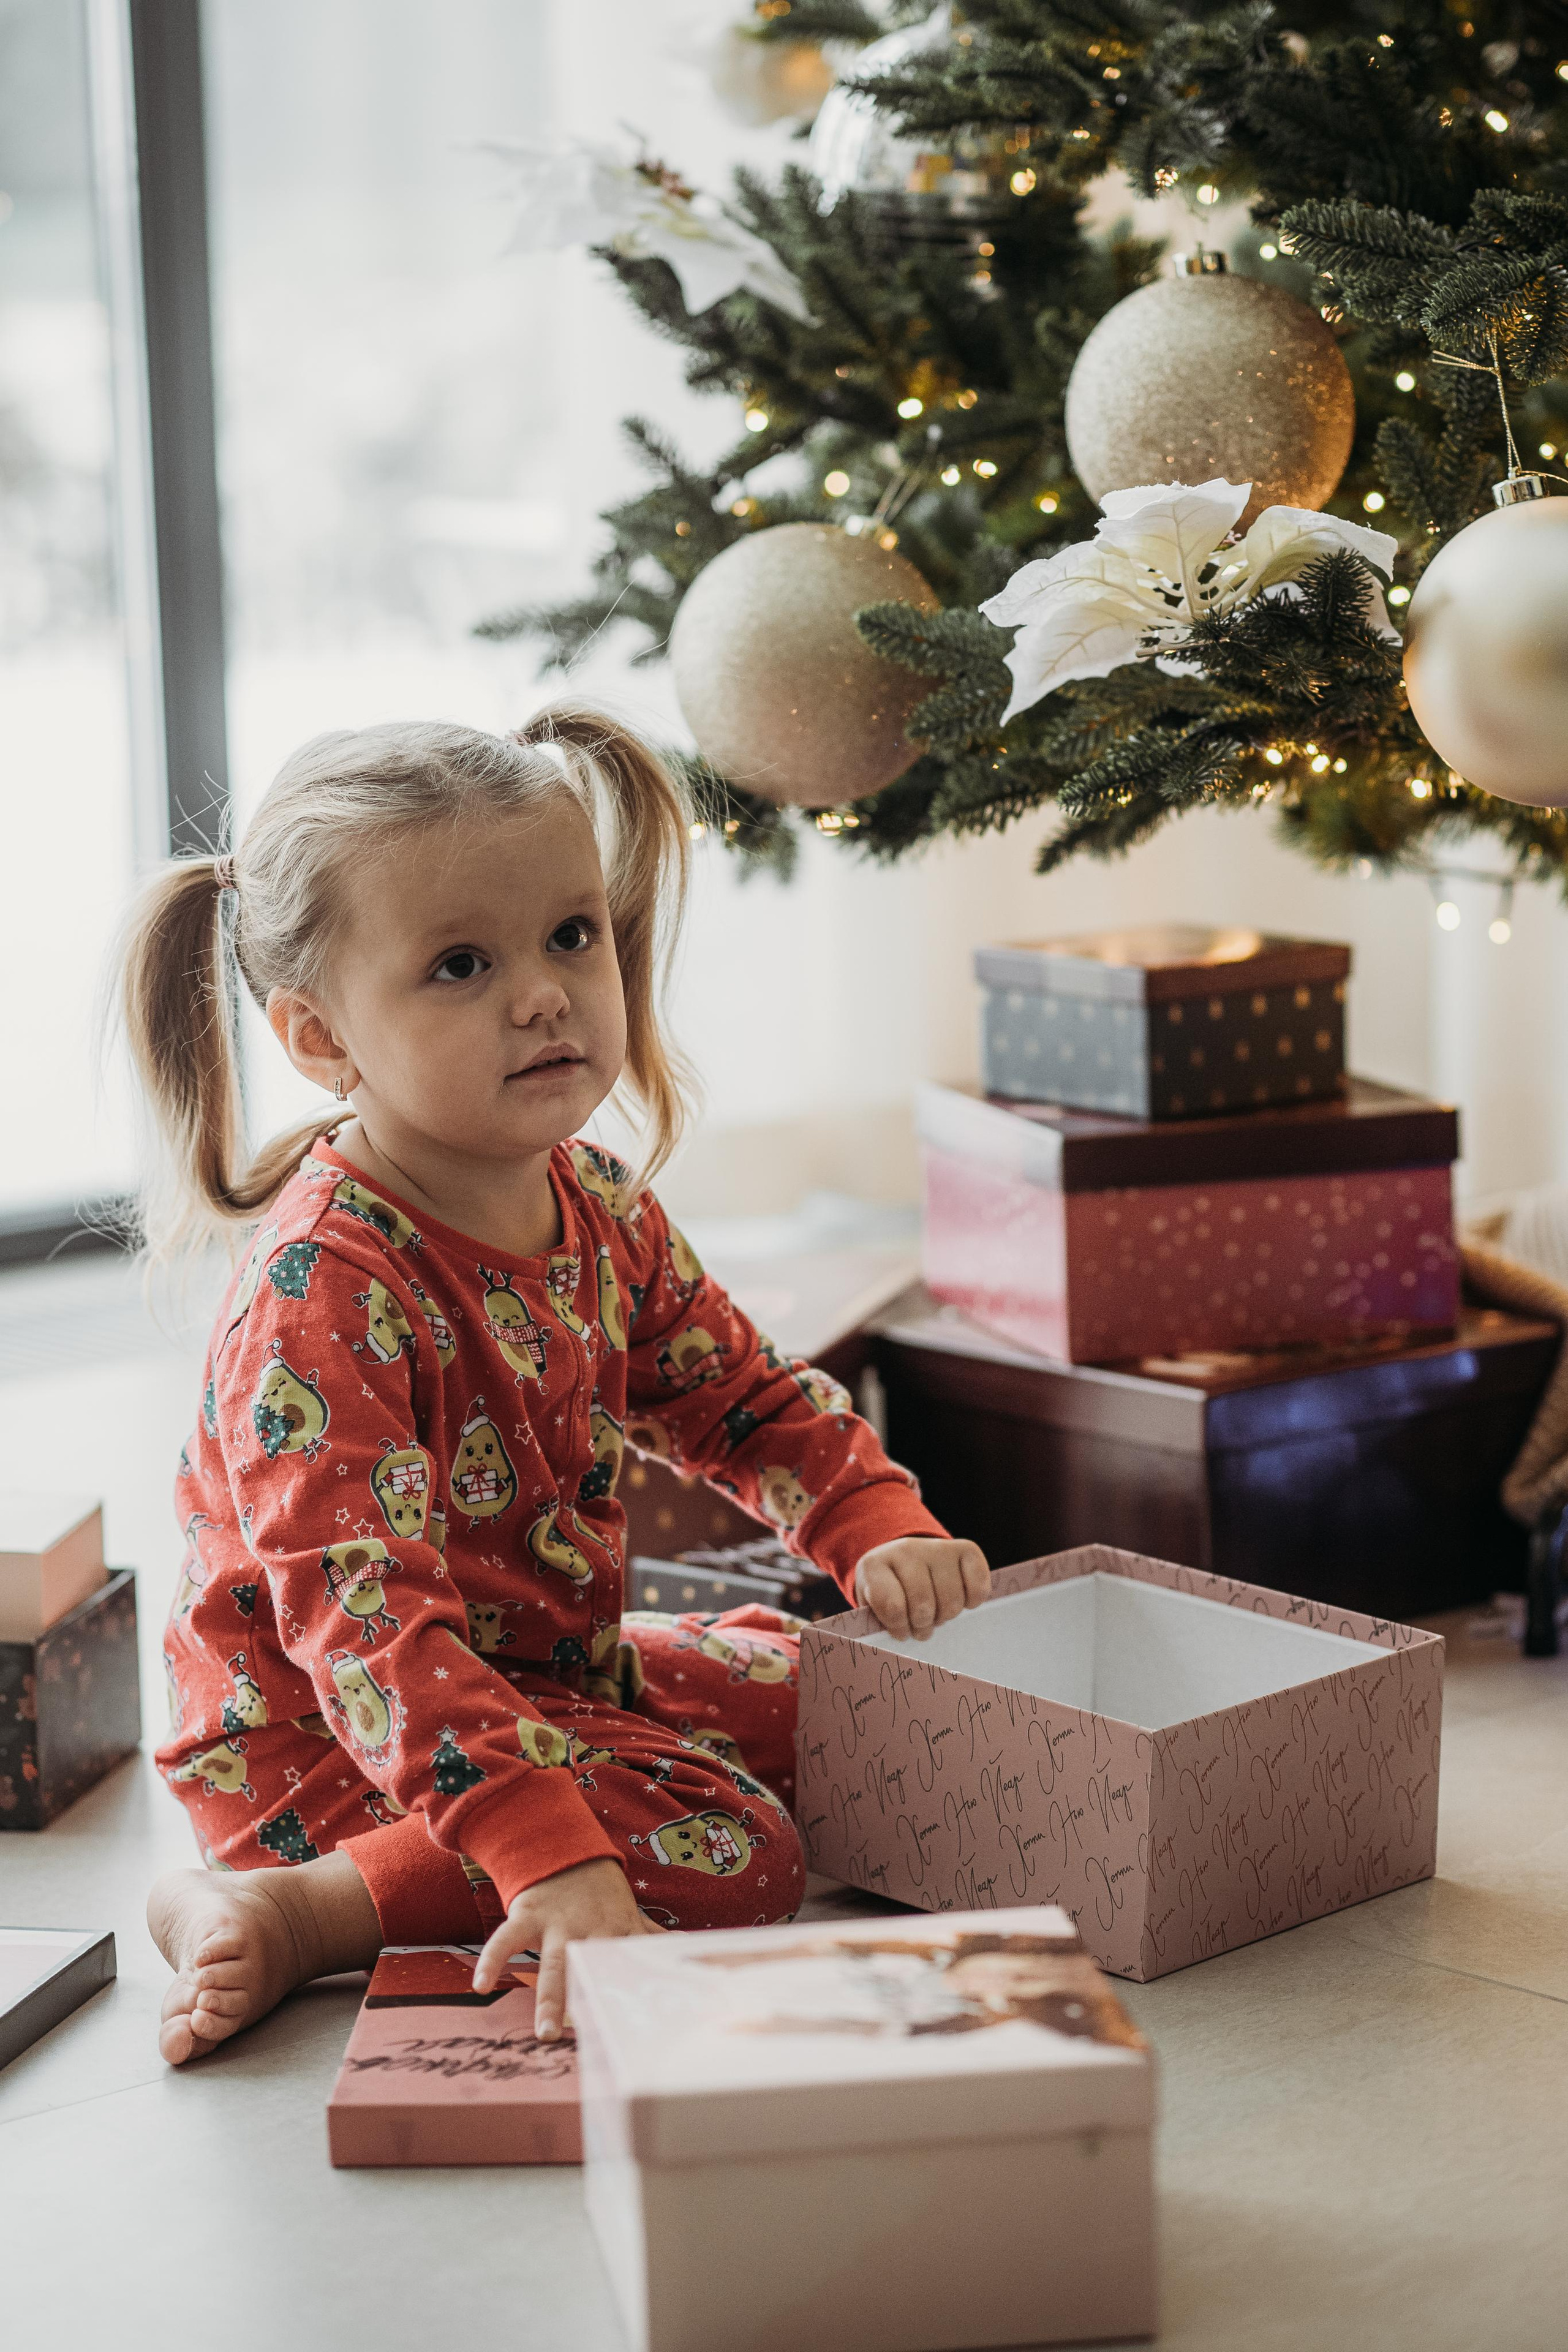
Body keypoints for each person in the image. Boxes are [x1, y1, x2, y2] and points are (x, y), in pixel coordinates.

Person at [123, 707, 990, 2064]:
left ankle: (549, 1807)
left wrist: (868, 1519)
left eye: (570, 936)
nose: (543, 994)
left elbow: (739, 1395)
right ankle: (298, 1910)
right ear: (318, 1037)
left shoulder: (591, 1200)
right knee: (742, 1855)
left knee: (827, 1688)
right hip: (334, 1756)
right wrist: (546, 1857)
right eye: (461, 965)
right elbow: (369, 1629)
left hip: (537, 1678)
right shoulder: (323, 1292)